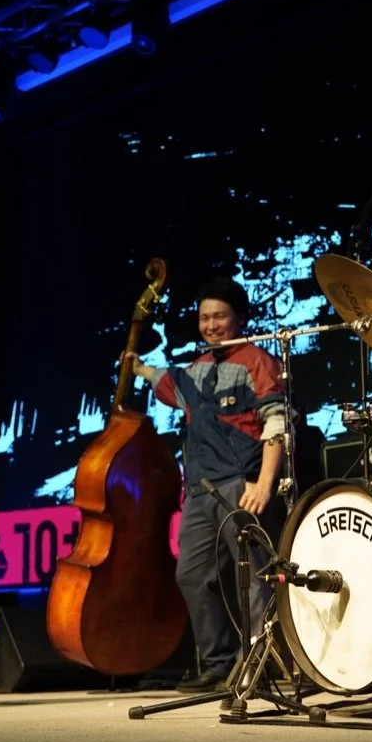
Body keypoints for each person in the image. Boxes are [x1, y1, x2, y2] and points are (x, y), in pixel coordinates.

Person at [126, 277, 289, 693]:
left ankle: (259, 665)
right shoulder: (197, 368)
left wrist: (264, 484)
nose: (211, 325)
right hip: (200, 492)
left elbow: (278, 423)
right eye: (204, 318)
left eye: (220, 316)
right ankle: (217, 664)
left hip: (240, 485)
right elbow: (167, 382)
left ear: (240, 318)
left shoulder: (258, 362)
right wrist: (138, 368)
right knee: (191, 574)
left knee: (254, 578)